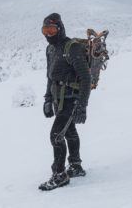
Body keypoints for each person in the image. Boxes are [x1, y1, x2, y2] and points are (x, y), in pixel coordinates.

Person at [39, 13, 91, 191]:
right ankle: (75, 166)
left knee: (56, 135)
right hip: (57, 98)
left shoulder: (72, 47)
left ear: (59, 29)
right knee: (69, 132)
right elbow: (50, 77)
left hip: (71, 100)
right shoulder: (51, 49)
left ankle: (59, 175)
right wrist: (47, 99)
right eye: (45, 30)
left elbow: (86, 77)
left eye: (52, 30)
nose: (48, 34)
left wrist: (82, 106)